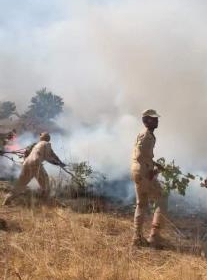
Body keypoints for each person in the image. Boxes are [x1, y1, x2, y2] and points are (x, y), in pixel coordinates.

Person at [131, 109, 166, 249]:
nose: (156, 121)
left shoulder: (147, 135)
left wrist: (156, 165)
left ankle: (137, 237)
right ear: (145, 121)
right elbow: (140, 155)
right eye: (153, 119)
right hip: (143, 172)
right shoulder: (147, 136)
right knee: (162, 198)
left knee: (141, 204)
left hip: (138, 171)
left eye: (156, 118)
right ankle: (154, 237)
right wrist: (151, 170)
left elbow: (146, 156)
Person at [2, 132, 65, 205]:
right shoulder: (46, 144)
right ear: (47, 138)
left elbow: (53, 154)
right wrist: (57, 163)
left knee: (20, 185)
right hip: (36, 164)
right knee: (46, 183)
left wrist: (60, 162)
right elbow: (48, 156)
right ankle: (47, 203)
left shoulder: (37, 145)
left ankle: (7, 200)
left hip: (26, 164)